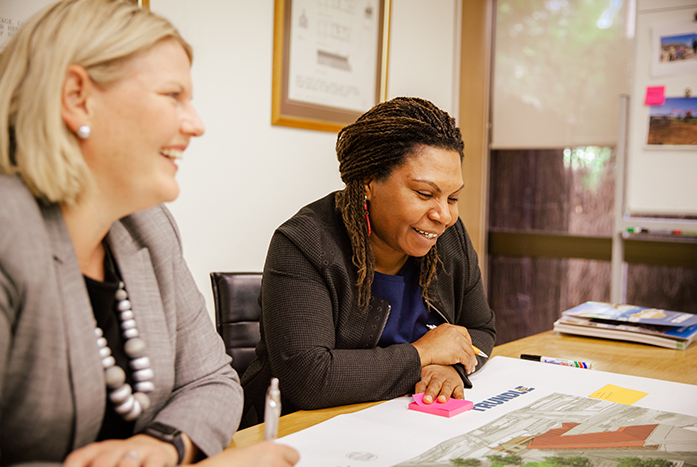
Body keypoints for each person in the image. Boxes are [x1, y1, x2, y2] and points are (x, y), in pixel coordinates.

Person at [0, 1, 298, 466]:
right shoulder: (8, 231)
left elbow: (213, 381)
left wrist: (165, 444)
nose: (195, 124)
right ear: (77, 96)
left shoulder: (149, 226)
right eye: (172, 95)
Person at [240, 97, 497, 427]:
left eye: (453, 197)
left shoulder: (447, 237)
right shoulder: (303, 244)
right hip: (300, 431)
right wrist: (422, 355)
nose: (443, 215)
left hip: (401, 423)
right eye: (424, 193)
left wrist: (449, 366)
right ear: (368, 183)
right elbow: (309, 378)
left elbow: (479, 329)